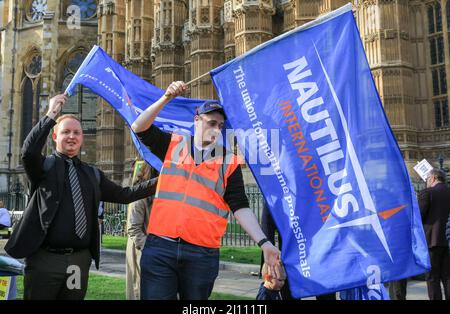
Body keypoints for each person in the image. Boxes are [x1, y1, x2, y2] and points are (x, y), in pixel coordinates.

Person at [131, 81, 281, 300]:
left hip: (201, 254)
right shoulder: (173, 145)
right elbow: (139, 127)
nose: (217, 129)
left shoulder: (229, 162)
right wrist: (166, 98)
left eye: (220, 126)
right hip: (161, 247)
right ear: (196, 120)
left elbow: (240, 207)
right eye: (211, 123)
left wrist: (264, 242)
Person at [5, 94, 158, 300]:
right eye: (65, 132)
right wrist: (51, 114)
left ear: (82, 138)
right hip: (46, 260)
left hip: (78, 260)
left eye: (76, 132)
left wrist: (163, 179)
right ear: (55, 137)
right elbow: (28, 152)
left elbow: (125, 195)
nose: (71, 136)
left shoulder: (92, 174)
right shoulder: (44, 167)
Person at [126, 162, 157, 300]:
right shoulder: (140, 193)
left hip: (155, 249)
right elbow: (133, 228)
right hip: (141, 249)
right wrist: (150, 249)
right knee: (139, 289)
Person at [419, 168, 450, 300]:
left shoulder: (428, 193)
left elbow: (418, 218)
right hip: (447, 241)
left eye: (426, 179)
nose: (426, 182)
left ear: (432, 178)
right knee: (448, 276)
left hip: (432, 241)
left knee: (432, 278)